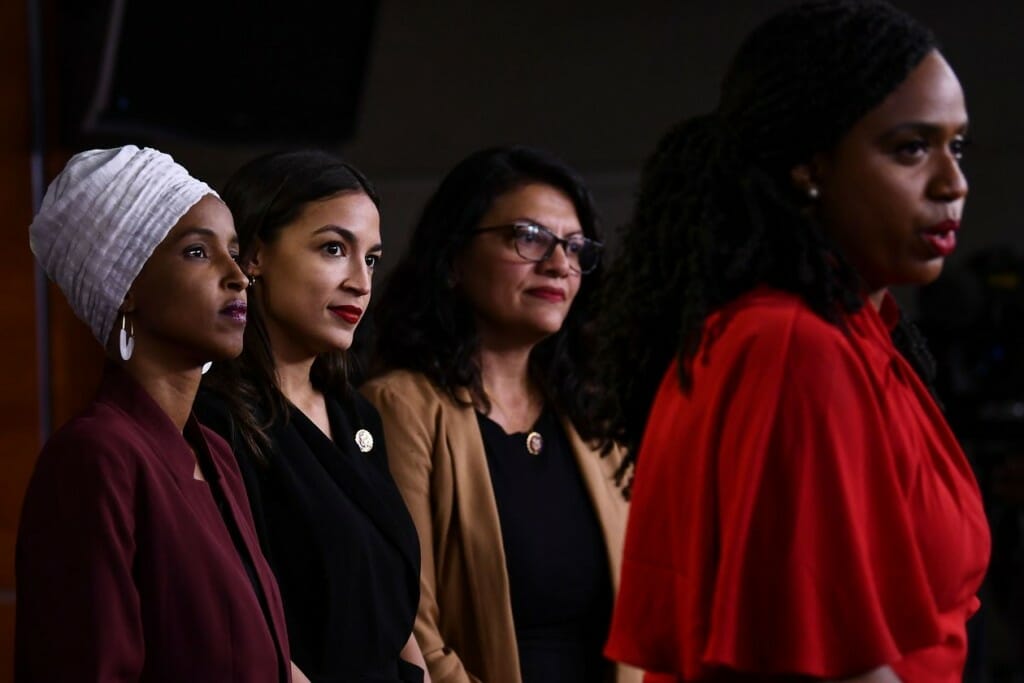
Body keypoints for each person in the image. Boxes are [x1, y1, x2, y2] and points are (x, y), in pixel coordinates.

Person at [593, 1, 990, 681]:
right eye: (911, 148)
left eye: (957, 146)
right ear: (810, 164)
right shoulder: (793, 348)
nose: (954, 183)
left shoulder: (845, 336)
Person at [361, 145, 642, 683]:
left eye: (576, 247)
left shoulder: (593, 420)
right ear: (453, 260)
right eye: (530, 237)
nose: (560, 263)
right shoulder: (400, 407)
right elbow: (411, 628)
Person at [17, 145, 294, 682]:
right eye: (197, 252)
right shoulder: (95, 458)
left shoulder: (214, 451)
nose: (237, 275)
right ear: (124, 286)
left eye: (235, 252)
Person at [195, 149, 427, 683]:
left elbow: (390, 599)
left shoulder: (357, 415)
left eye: (370, 258)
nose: (361, 282)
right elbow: (248, 628)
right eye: (333, 249)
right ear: (253, 256)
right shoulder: (214, 419)